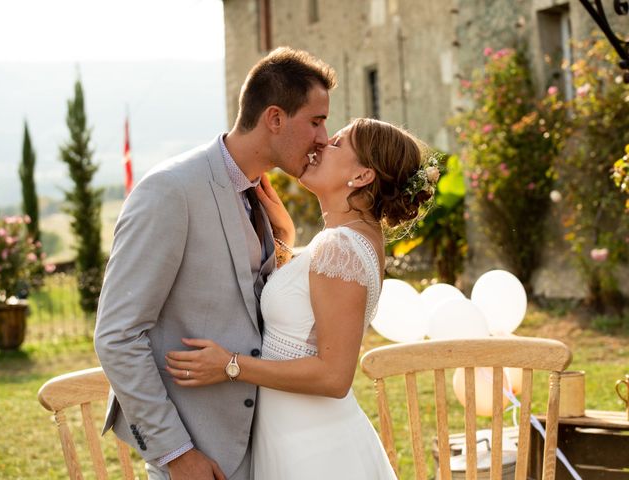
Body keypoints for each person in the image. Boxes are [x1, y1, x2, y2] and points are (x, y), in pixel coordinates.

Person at [94, 46, 337, 480]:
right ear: (275, 118)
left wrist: (282, 243)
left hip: (264, 446)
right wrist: (176, 454)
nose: (324, 137)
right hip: (198, 456)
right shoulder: (170, 190)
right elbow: (117, 335)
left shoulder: (257, 194)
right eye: (316, 121)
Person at [165, 117, 439, 479]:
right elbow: (308, 311)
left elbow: (334, 376)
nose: (322, 144)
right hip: (301, 436)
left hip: (313, 451)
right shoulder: (353, 239)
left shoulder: (339, 246)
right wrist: (287, 241)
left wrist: (230, 365)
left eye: (339, 144)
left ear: (362, 176)